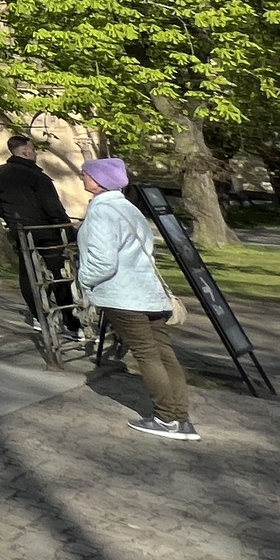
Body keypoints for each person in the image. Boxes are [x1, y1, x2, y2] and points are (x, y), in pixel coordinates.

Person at [76, 158, 196, 441]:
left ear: (98, 180)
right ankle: (181, 419)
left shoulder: (101, 212)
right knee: (165, 354)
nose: (82, 177)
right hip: (149, 294)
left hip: (123, 296)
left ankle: (166, 419)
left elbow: (103, 261)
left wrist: (83, 279)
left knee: (147, 355)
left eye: (86, 174)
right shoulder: (130, 208)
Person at [0, 133, 78, 338]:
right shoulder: (38, 177)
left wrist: (12, 221)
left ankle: (39, 315)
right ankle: (70, 320)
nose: (36, 153)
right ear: (25, 151)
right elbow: (53, 207)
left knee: (28, 272)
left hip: (20, 229)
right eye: (33, 149)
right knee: (59, 274)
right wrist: (68, 230)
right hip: (46, 231)